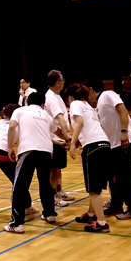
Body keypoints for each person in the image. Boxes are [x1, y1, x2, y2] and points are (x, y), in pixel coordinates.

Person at [83, 78, 131, 220]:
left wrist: (124, 132)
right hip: (113, 146)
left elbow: (123, 111)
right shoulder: (98, 104)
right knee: (115, 178)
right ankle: (116, 206)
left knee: (128, 177)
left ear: (91, 89)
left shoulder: (108, 95)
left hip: (124, 143)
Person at [4, 92, 61, 233]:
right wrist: (69, 138)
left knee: (20, 186)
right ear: (42, 104)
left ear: (28, 102)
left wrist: (10, 147)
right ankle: (49, 214)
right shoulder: (46, 115)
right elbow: (58, 131)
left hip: (28, 150)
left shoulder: (20, 111)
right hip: (46, 151)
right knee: (45, 183)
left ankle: (17, 224)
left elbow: (12, 127)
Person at [66, 85, 111, 233]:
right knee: (96, 185)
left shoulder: (75, 104)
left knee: (93, 189)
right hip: (105, 145)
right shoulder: (88, 106)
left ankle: (102, 223)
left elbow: (79, 122)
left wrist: (72, 143)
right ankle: (91, 214)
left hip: (93, 148)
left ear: (70, 97)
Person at [45, 70, 74, 207]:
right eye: (62, 80)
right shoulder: (51, 97)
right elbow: (59, 117)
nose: (63, 83)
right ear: (57, 82)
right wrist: (68, 135)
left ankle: (59, 191)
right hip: (54, 137)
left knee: (58, 167)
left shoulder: (57, 96)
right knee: (53, 168)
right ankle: (53, 196)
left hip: (60, 138)